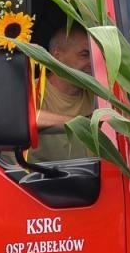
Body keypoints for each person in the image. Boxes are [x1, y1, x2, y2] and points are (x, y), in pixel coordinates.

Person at [30, 23, 97, 161]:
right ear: (57, 55)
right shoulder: (32, 90)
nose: (92, 62)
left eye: (94, 56)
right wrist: (81, 125)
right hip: (35, 180)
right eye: (84, 55)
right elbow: (21, 119)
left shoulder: (98, 93)